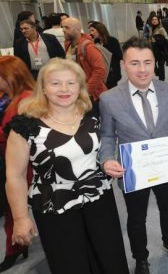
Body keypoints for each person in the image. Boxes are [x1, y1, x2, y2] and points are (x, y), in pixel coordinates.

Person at [5, 58, 128, 274]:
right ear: (43, 87)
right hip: (55, 206)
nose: (64, 89)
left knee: (110, 258)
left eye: (71, 83)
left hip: (99, 199)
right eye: (55, 83)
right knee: (71, 264)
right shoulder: (26, 126)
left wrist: (109, 161)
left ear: (80, 87)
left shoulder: (91, 115)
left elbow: (102, 149)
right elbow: (15, 176)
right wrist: (20, 218)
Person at [99, 37, 168, 274]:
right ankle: (141, 258)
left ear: (155, 62)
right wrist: (106, 159)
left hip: (165, 165)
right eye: (134, 63)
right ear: (124, 65)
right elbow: (106, 136)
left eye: (147, 62)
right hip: (132, 169)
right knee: (136, 217)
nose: (142, 69)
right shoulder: (109, 98)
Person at [0, 56, 34, 272]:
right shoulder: (7, 96)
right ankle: (17, 245)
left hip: (21, 165)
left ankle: (14, 248)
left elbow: (17, 135)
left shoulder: (26, 100)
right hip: (7, 162)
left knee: (13, 207)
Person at [63, 17, 107, 116]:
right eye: (63, 27)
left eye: (67, 27)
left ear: (77, 29)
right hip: (76, 93)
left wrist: (87, 91)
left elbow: (100, 71)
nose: (63, 30)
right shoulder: (68, 45)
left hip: (91, 96)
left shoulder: (88, 47)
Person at [88, 21, 122, 89]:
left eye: (92, 30)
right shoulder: (94, 42)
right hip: (102, 74)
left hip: (112, 73)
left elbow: (119, 56)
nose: (91, 33)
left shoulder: (112, 41)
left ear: (100, 30)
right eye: (90, 31)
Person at [149, 16, 168, 81]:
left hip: (160, 50)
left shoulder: (161, 29)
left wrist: (158, 38)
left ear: (158, 21)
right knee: (152, 64)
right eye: (153, 19)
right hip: (153, 49)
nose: (154, 20)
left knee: (161, 66)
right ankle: (158, 73)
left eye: (156, 19)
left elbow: (167, 39)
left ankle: (162, 80)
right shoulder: (151, 29)